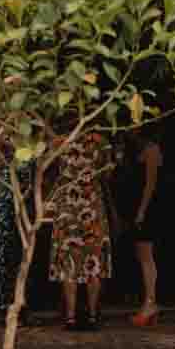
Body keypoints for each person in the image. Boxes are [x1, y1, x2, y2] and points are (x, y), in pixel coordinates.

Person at [47, 134, 112, 331]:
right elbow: (107, 174)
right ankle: (92, 315)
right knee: (93, 260)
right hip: (92, 205)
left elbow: (49, 173)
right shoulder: (101, 142)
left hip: (67, 207)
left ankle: (70, 317)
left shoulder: (58, 142)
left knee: (69, 261)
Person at [113, 131, 164, 326]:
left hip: (146, 208)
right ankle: (148, 302)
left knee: (146, 254)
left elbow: (150, 183)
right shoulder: (130, 149)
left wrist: (142, 210)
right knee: (140, 254)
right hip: (133, 207)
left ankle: (150, 303)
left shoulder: (151, 149)